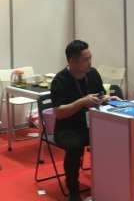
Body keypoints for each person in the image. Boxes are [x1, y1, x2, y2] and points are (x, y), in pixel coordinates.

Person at [50, 40, 115, 201]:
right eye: (85, 59)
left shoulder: (93, 74)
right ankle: (73, 189)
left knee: (113, 140)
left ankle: (108, 183)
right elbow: (59, 113)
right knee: (75, 147)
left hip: (93, 124)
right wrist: (82, 102)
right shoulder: (60, 80)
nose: (90, 62)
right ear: (72, 61)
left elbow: (100, 95)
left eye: (90, 58)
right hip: (68, 128)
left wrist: (107, 98)